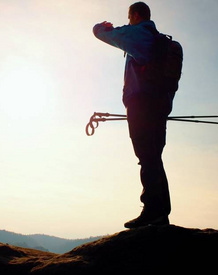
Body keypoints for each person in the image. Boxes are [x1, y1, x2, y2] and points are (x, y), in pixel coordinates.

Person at [93, 2, 174, 228]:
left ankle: (151, 211)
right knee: (154, 156)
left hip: (141, 104)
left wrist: (100, 25)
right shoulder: (157, 39)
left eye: (129, 18)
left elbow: (102, 34)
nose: (127, 22)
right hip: (160, 104)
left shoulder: (137, 33)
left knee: (146, 156)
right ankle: (161, 212)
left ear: (136, 16)